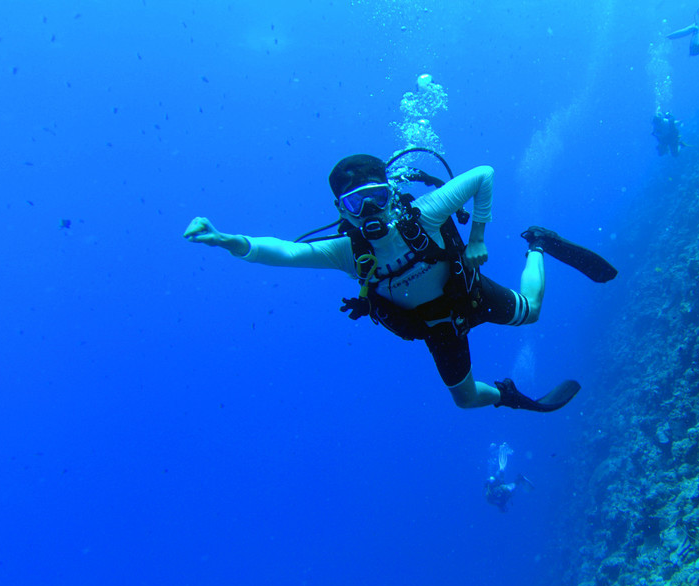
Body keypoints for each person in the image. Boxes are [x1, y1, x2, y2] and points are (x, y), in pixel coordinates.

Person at [183, 151, 617, 412]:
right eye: (357, 202)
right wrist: (228, 240)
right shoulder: (345, 252)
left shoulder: (425, 213)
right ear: (341, 208)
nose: (370, 209)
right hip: (436, 329)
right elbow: (282, 251)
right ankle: (508, 395)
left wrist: (478, 236)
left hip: (470, 296)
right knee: (465, 401)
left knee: (533, 311)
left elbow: (484, 174)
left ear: (391, 191)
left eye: (378, 196)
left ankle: (538, 243)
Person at [484, 442, 533, 512]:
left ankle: (502, 449)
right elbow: (512, 486)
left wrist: (519, 480)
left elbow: (511, 486)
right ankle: (502, 450)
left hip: (500, 485)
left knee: (502, 470)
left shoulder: (494, 498)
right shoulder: (499, 499)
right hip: (501, 485)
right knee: (502, 470)